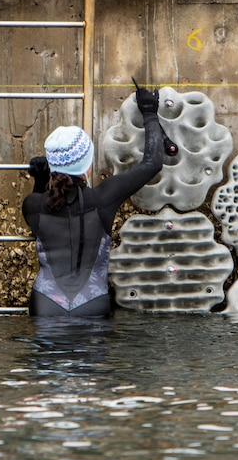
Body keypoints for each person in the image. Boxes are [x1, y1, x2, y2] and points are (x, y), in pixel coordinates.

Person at [22, 83, 164, 317]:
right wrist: (149, 111)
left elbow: (42, 210)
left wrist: (40, 179)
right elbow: (153, 163)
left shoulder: (32, 205)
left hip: (45, 304)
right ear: (87, 165)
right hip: (92, 303)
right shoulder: (104, 198)